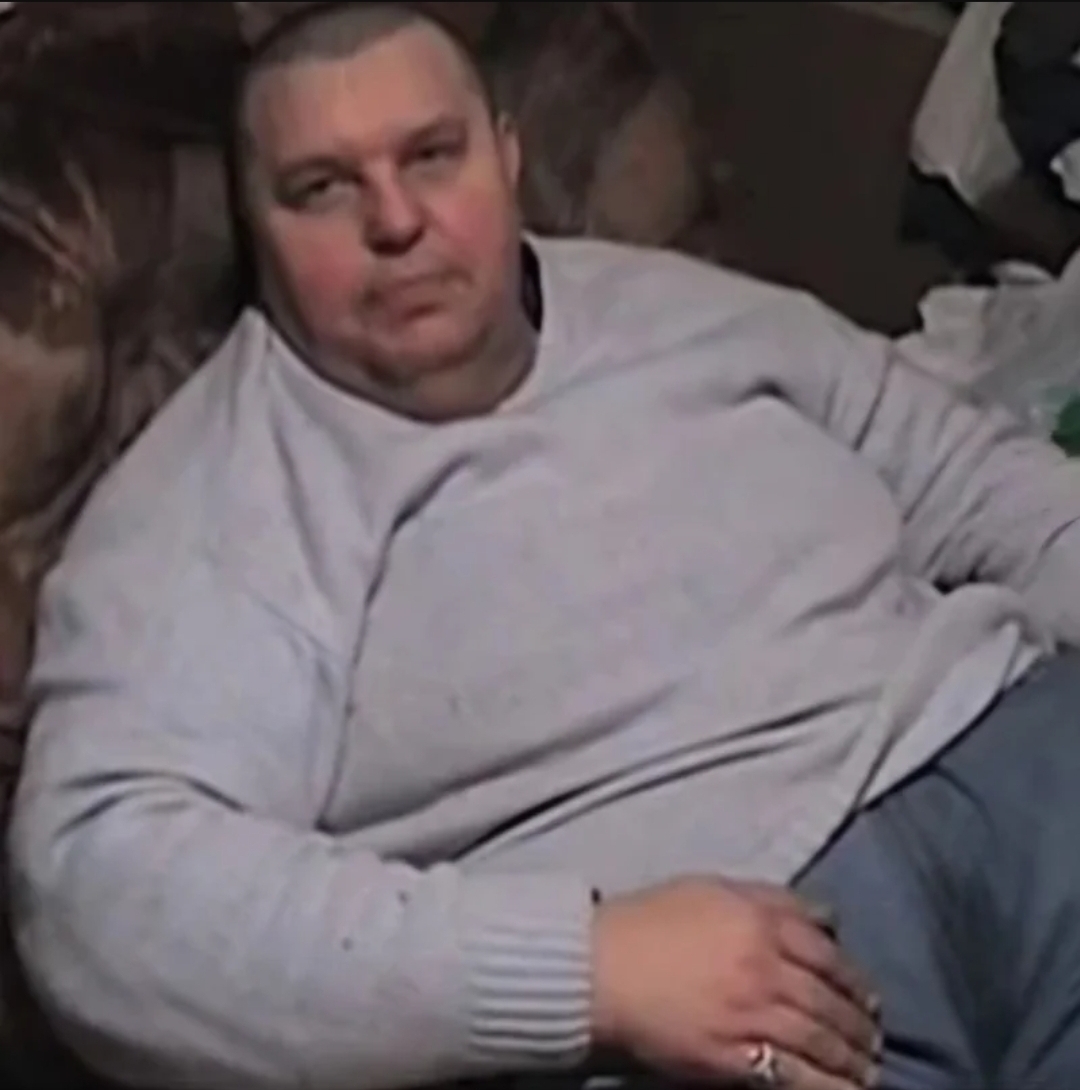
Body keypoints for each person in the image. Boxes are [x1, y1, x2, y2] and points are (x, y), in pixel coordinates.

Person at [9, 4, 1080, 1089]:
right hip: (762, 950)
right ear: (257, 229)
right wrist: (589, 968)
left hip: (1016, 750)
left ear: (508, 158)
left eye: (433, 155)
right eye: (323, 187)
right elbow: (98, 884)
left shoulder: (680, 307)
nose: (397, 220)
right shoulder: (217, 500)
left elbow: (975, 477)